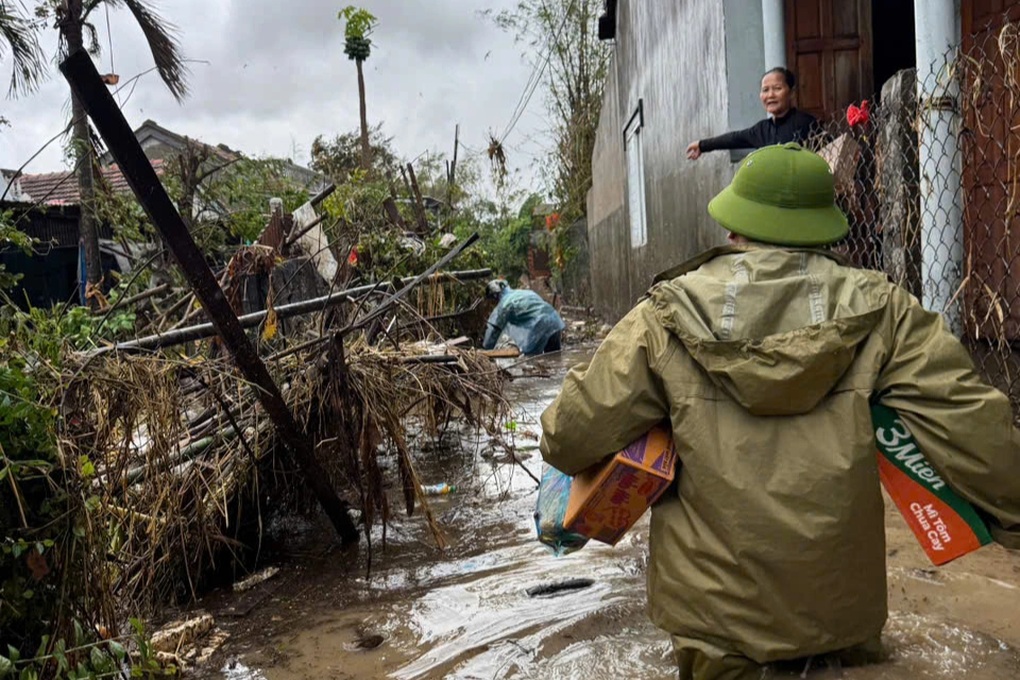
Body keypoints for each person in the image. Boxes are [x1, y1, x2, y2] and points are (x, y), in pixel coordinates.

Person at [539, 143, 1020, 679]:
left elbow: (568, 439)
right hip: (843, 618)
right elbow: (984, 441)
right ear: (825, 229)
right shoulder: (886, 310)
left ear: (734, 228)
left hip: (712, 627)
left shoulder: (665, 315)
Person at [686, 67, 818, 160]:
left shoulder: (807, 123)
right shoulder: (762, 130)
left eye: (777, 88)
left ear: (791, 93)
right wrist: (701, 145)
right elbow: (734, 138)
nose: (770, 95)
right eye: (765, 90)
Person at [482, 279, 565, 356]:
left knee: (532, 360)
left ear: (495, 296)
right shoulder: (525, 293)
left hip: (540, 324)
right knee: (554, 358)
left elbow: (495, 331)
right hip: (554, 320)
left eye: (492, 301)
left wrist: (486, 351)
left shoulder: (505, 305)